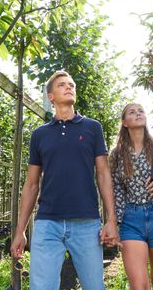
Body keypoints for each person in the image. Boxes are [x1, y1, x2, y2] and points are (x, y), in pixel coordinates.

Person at [10, 70, 119, 290]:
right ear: (50, 96)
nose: (69, 87)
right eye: (62, 85)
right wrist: (20, 230)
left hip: (86, 223)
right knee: (41, 287)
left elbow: (103, 174)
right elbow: (32, 184)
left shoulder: (92, 128)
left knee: (94, 286)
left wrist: (111, 220)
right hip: (47, 223)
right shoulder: (39, 135)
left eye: (71, 84)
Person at [109, 103, 153, 290]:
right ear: (125, 123)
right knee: (139, 286)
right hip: (131, 220)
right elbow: (116, 190)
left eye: (141, 110)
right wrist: (115, 222)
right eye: (132, 112)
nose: (138, 113)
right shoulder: (116, 155)